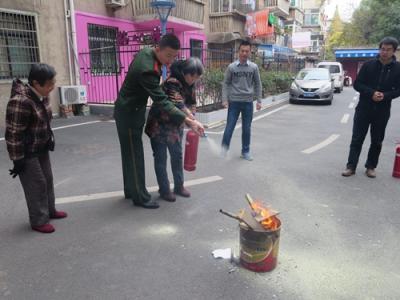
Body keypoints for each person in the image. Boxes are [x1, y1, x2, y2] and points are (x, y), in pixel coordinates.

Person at [114, 33, 204, 209]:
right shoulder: (148, 69)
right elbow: (163, 101)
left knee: (130, 154)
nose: (170, 60)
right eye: (168, 55)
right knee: (135, 155)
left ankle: (131, 190)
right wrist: (190, 121)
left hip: (131, 111)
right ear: (158, 49)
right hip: (129, 114)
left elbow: (188, 103)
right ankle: (140, 197)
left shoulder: (147, 53)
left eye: (174, 56)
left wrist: (190, 118)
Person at [5, 63, 67, 234]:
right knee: (36, 184)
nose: (52, 87)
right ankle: (39, 220)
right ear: (35, 83)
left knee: (47, 179)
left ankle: (50, 210)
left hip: (41, 147)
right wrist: (17, 159)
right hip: (26, 152)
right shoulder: (20, 102)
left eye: (53, 82)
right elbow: (13, 133)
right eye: (49, 84)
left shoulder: (41, 95)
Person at [145, 58, 204, 202]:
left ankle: (179, 186)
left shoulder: (189, 85)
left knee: (177, 156)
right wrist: (194, 121)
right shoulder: (172, 82)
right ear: (184, 72)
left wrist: (193, 121)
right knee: (161, 158)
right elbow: (179, 105)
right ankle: (164, 190)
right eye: (192, 76)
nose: (193, 80)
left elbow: (192, 105)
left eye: (197, 77)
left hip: (175, 126)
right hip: (158, 126)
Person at [342, 37, 400, 178]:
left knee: (377, 140)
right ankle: (351, 166)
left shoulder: (398, 68)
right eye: (382, 49)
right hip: (364, 108)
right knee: (357, 138)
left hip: (382, 110)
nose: (384, 52)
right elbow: (357, 84)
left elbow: (398, 89)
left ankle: (371, 167)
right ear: (379, 49)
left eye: (388, 50)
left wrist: (385, 96)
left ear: (394, 51)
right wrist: (371, 93)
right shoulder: (369, 65)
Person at [221, 40, 262, 161]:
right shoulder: (232, 67)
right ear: (238, 52)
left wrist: (259, 100)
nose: (244, 53)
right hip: (234, 102)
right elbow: (226, 84)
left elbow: (258, 84)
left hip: (248, 103)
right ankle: (224, 148)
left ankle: (245, 151)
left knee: (246, 128)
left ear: (250, 52)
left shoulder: (253, 67)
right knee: (230, 126)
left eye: (247, 51)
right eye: (242, 51)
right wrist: (225, 99)